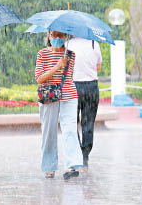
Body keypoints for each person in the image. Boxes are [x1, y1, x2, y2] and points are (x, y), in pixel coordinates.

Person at [35, 30, 83, 180]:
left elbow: (67, 77)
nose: (57, 38)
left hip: (68, 95)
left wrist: (63, 64)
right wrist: (57, 66)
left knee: (69, 130)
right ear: (48, 35)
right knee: (48, 132)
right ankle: (49, 166)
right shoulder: (42, 54)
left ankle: (72, 164)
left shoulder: (70, 55)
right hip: (49, 96)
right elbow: (39, 78)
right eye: (54, 35)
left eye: (61, 35)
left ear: (66, 36)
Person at [67, 37, 102, 168]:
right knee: (88, 123)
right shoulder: (94, 44)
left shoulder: (68, 44)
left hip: (72, 86)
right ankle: (85, 155)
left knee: (71, 121)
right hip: (91, 87)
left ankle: (76, 153)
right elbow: (98, 66)